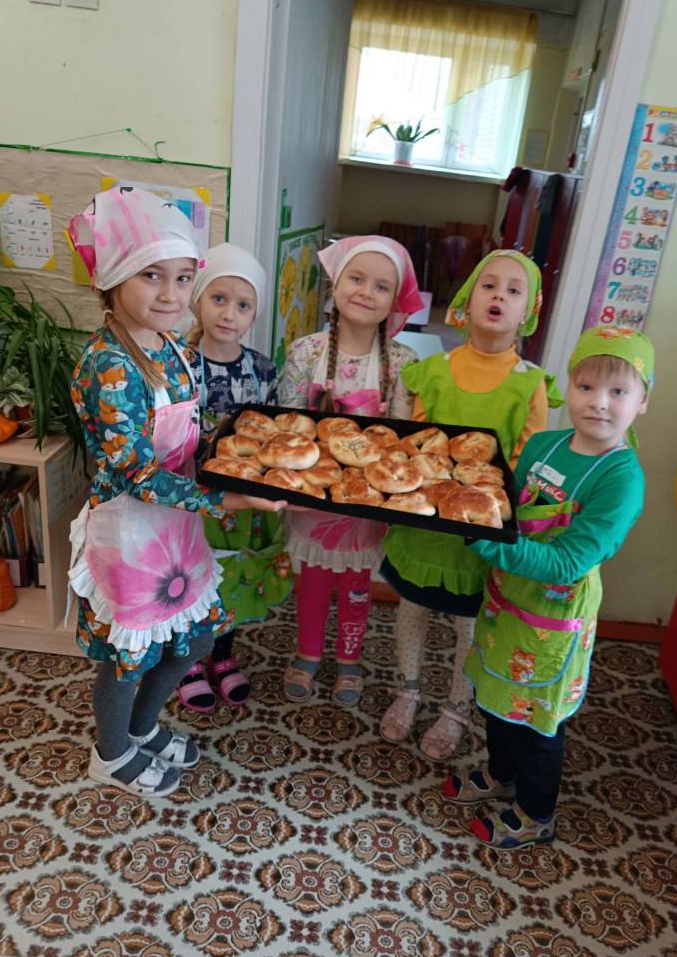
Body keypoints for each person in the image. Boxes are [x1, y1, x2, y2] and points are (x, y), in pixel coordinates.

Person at [66, 187, 283, 798]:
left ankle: (142, 727)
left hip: (175, 526)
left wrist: (246, 463)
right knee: (127, 656)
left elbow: (191, 435)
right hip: (131, 532)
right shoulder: (110, 365)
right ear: (112, 279)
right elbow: (137, 473)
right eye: (151, 276)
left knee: (196, 637)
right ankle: (111, 753)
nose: (170, 294)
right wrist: (227, 500)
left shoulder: (173, 349)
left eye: (183, 278)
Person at [442, 326, 654, 848]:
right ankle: (500, 775)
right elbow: (506, 506)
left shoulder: (621, 479)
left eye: (618, 391)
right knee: (495, 696)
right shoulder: (543, 445)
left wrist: (487, 541)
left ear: (643, 401)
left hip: (552, 620)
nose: (598, 403)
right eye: (586, 387)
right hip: (506, 602)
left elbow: (567, 562)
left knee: (536, 721)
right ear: (569, 389)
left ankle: (537, 811)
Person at [378, 250, 563, 760]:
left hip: (481, 532)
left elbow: (525, 460)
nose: (499, 295)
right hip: (423, 524)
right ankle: (408, 690)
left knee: (471, 626)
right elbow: (411, 443)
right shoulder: (431, 371)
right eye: (489, 285)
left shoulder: (530, 383)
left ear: (528, 312)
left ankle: (457, 709)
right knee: (412, 609)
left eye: (513, 290)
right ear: (467, 299)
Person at [278, 235, 423, 707]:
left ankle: (349, 659)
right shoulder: (305, 352)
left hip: (367, 500)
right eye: (356, 279)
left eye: (381, 286)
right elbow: (288, 424)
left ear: (394, 300)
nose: (366, 292)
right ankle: (307, 652)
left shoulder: (403, 362)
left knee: (358, 584)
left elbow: (399, 442)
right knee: (314, 578)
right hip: (313, 494)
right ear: (335, 285)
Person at [176, 242, 293, 714]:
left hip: (244, 499)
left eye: (243, 305)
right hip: (192, 495)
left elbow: (274, 435)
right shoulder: (178, 361)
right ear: (198, 301)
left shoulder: (262, 369)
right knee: (192, 576)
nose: (229, 313)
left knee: (232, 577)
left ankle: (222, 654)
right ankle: (186, 660)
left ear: (253, 315)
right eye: (219, 299)